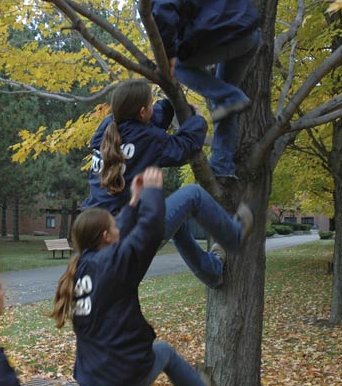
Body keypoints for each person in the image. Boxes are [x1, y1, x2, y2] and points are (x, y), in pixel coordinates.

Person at [54, 167, 213, 386]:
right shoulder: (113, 265)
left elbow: (121, 231)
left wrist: (134, 200)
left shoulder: (79, 269)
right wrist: (153, 192)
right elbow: (149, 230)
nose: (118, 229)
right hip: (122, 377)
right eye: (113, 227)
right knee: (163, 351)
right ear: (105, 236)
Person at [82, 79, 252, 289]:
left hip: (97, 237)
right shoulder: (148, 139)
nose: (154, 109)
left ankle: (212, 273)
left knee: (175, 219)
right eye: (151, 105)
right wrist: (197, 120)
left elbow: (149, 122)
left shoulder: (106, 130)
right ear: (143, 111)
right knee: (192, 194)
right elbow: (184, 146)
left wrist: (171, 104)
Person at [115, 0, 262, 178]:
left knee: (177, 67)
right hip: (249, 33)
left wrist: (170, 54)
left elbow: (163, 11)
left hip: (231, 35)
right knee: (223, 103)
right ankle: (223, 167)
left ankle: (231, 97)